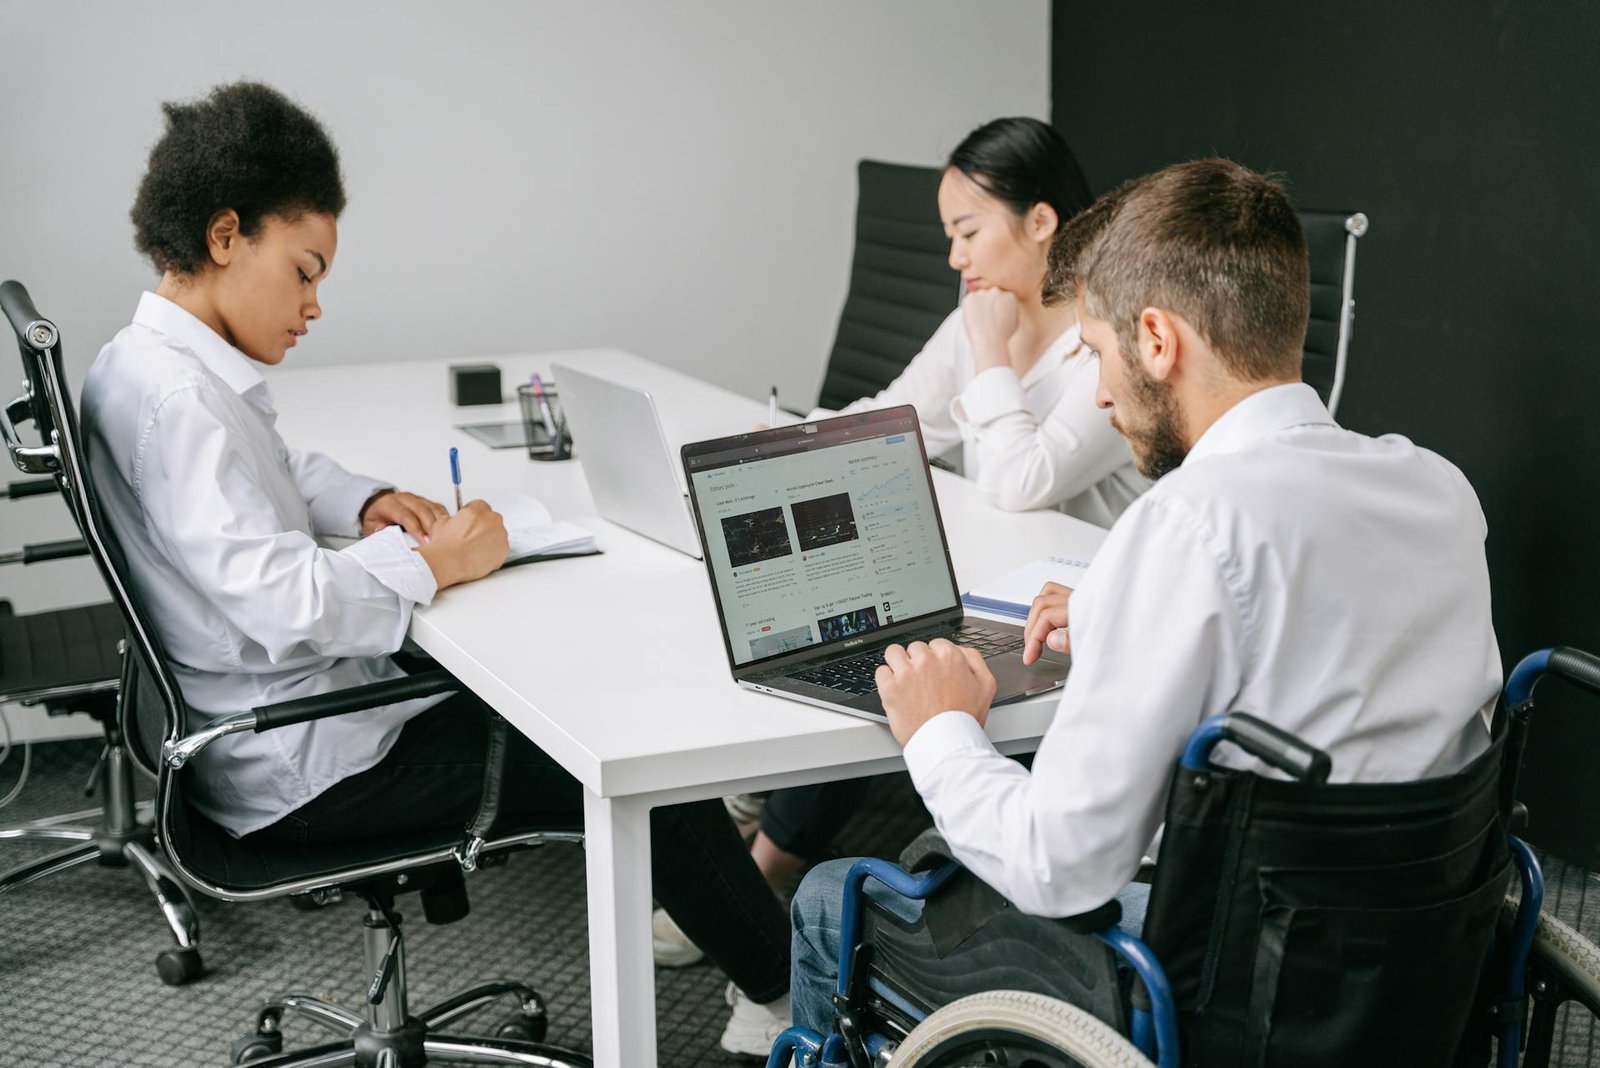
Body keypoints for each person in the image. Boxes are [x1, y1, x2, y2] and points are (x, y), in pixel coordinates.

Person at [80, 81, 789, 1058]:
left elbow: (271, 477)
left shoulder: (147, 367)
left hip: (263, 720)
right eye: (304, 270)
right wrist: (431, 559)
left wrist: (364, 503)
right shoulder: (185, 404)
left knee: (548, 681)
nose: (315, 304)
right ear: (225, 235)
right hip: (299, 756)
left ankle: (746, 942)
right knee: (611, 747)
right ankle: (784, 1001)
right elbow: (285, 600)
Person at [787, 157, 1502, 1034]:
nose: (1098, 391)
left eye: (1095, 351)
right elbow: (1330, 670)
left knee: (832, 897)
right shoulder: (1436, 487)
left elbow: (1063, 867)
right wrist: (1129, 622)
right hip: (1408, 971)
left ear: (1157, 341)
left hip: (1227, 996)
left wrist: (938, 728)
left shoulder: (1184, 525)